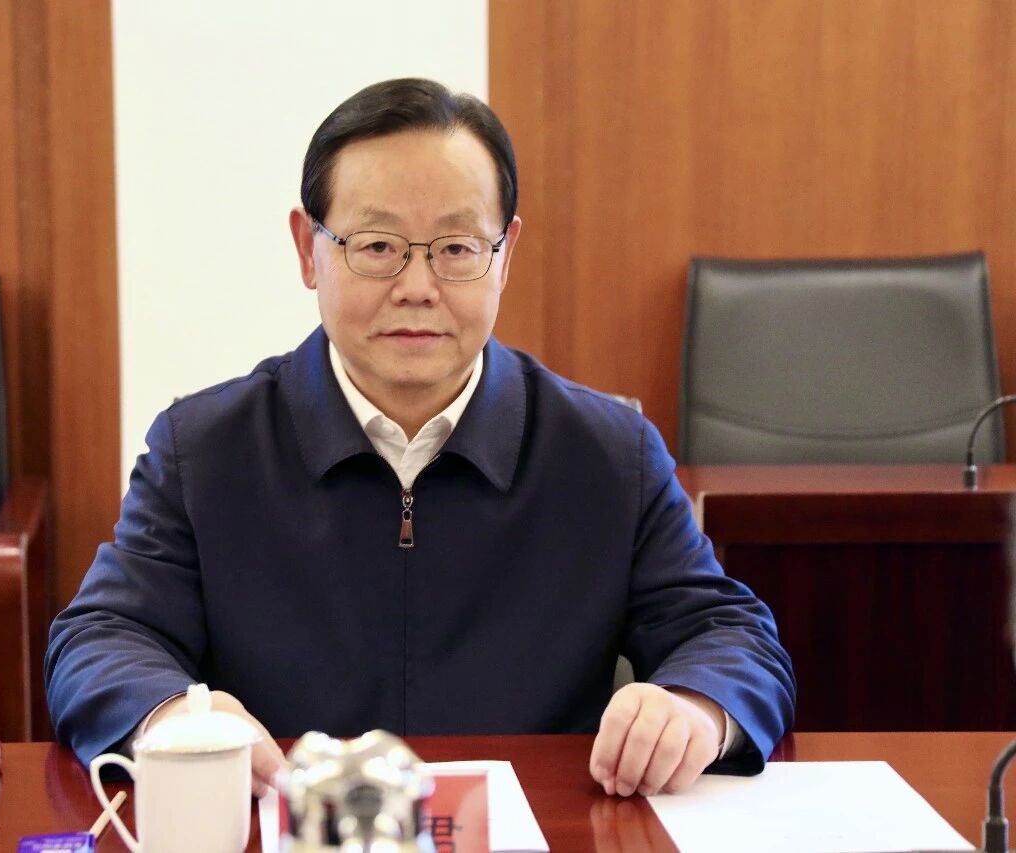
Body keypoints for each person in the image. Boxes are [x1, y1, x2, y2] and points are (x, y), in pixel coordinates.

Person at [46, 78, 795, 800]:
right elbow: (103, 637)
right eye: (377, 246)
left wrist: (694, 708)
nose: (416, 286)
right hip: (287, 827)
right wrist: (177, 718)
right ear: (308, 249)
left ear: (504, 254)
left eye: (457, 247)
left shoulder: (606, 454)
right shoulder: (206, 451)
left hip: (541, 827)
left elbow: (731, 636)